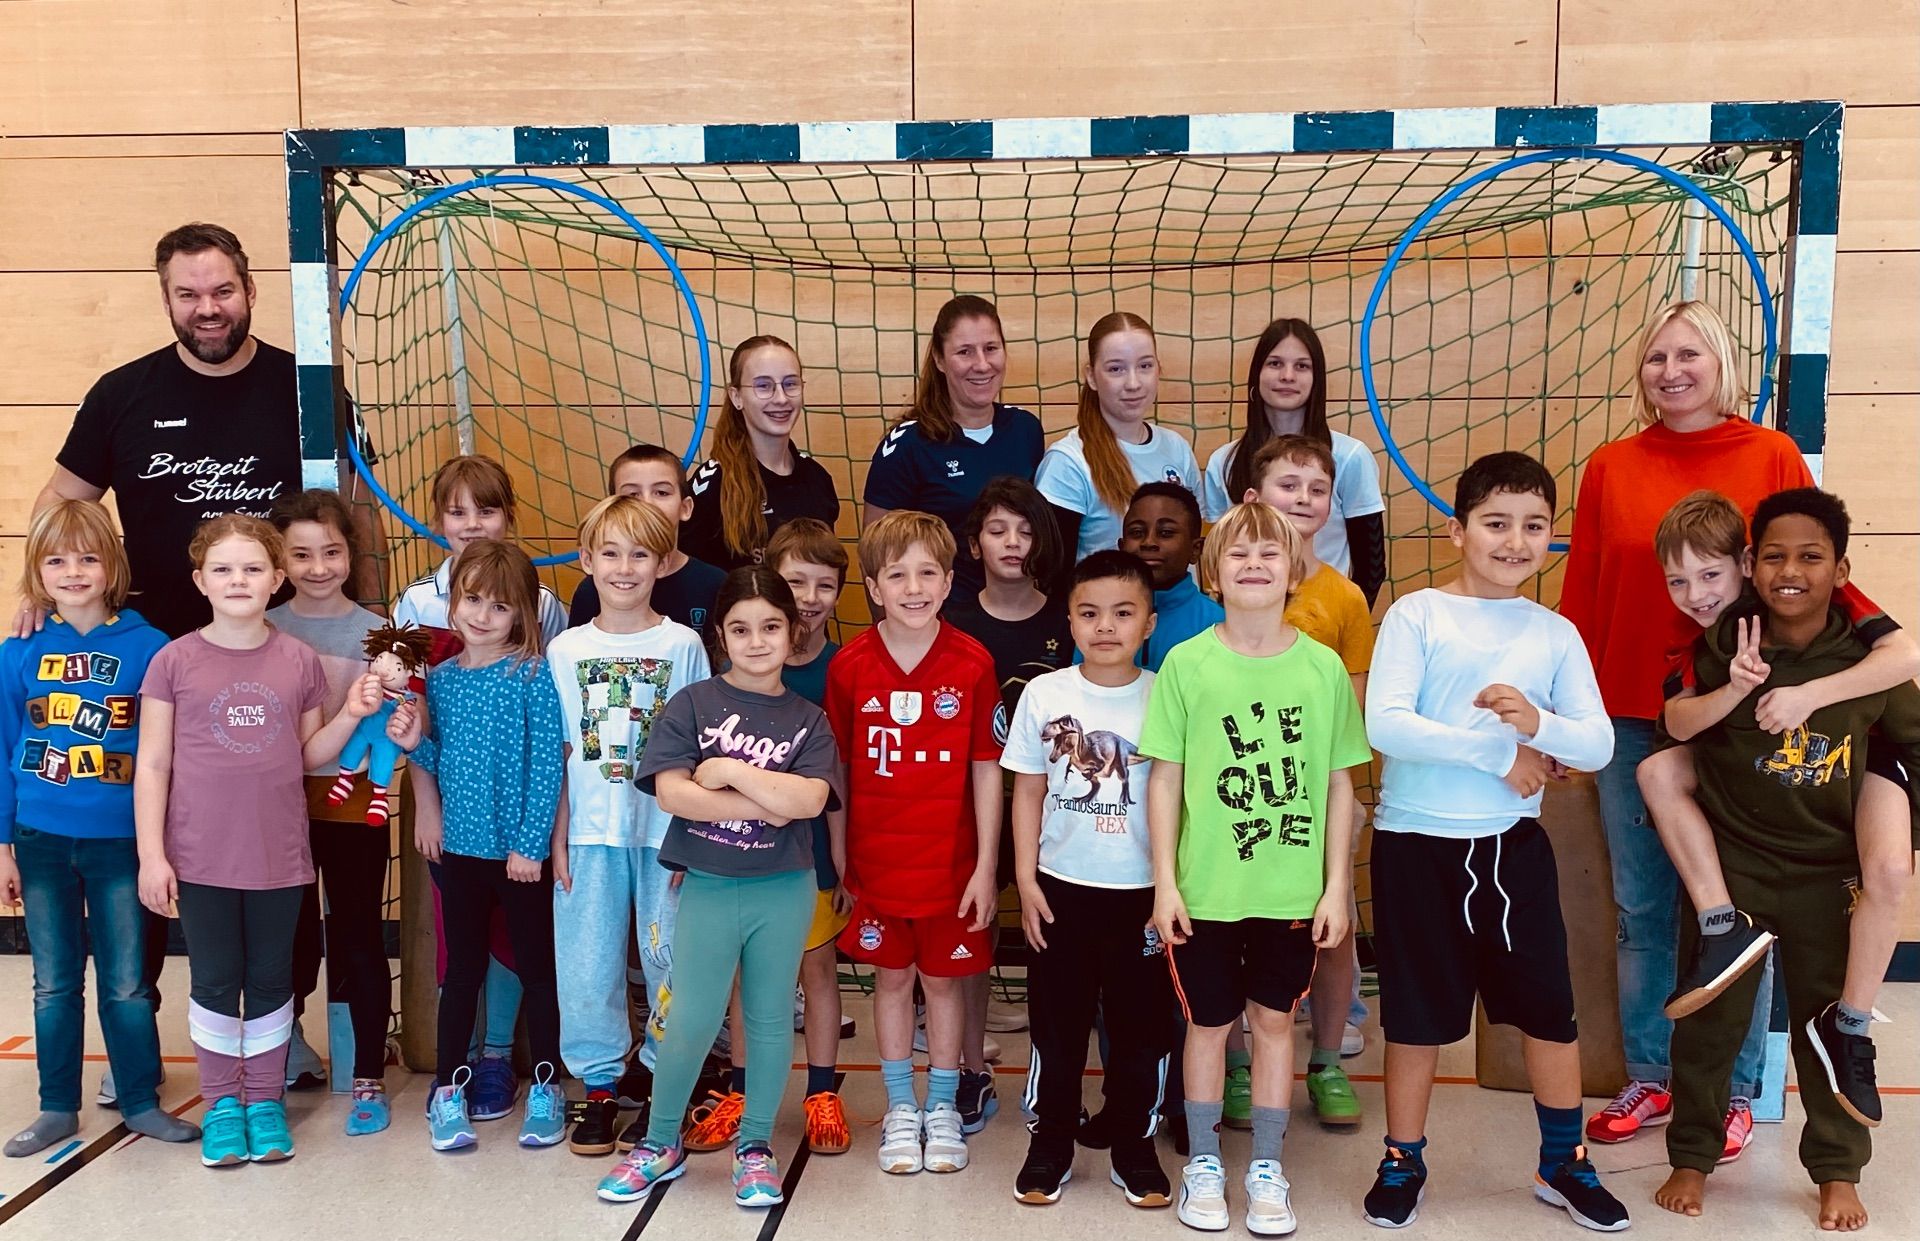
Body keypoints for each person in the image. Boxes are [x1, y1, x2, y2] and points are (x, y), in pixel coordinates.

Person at [1558, 300, 1920, 1148]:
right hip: (1635, 711)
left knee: (1744, 913)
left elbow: (1811, 574)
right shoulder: (1610, 465)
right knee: (1643, 906)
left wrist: (1808, 692)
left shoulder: (1770, 453)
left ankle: (1737, 1089)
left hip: (1747, 719)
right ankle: (1652, 1074)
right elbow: (1582, 600)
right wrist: (1567, 718)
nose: (1672, 370)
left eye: (1689, 353)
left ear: (1723, 362)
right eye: (1657, 356)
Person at [1363, 453, 1625, 1232]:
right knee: (1415, 1017)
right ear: (1458, 530)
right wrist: (1498, 752)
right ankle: (1402, 1157)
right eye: (1496, 522)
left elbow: (1598, 741)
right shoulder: (1417, 615)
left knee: (1549, 1011)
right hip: (1415, 845)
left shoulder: (1555, 633)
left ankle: (1562, 1160)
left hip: (1511, 849)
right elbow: (1388, 724)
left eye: (1534, 525)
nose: (1515, 540)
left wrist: (1538, 724)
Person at [1651, 488, 1920, 1234]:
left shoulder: (1869, 663)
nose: (1790, 571)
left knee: (1825, 1026)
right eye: (1774, 556)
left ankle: (1837, 1169)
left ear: (1841, 570)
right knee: (1709, 1025)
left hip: (1828, 874)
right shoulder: (1721, 640)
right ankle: (1692, 1156)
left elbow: (1910, 744)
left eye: (1810, 557)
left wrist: (1889, 844)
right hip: (1734, 864)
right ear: (1751, 563)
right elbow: (1675, 726)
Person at [1141, 500, 1368, 1236]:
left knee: (1275, 1022)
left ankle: (1267, 1166)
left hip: (1290, 890)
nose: (1254, 564)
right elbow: (1165, 780)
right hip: (1206, 889)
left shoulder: (1322, 667)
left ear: (1295, 570)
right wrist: (1166, 883)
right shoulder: (1186, 663)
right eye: (1238, 552)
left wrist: (1336, 886)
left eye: (1270, 552)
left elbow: (1339, 783)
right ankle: (1205, 1163)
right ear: (1213, 572)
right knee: (1208, 1024)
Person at [133, 514, 378, 1167]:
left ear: (275, 579)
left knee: (272, 981)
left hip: (280, 856)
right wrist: (152, 855)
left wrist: (351, 713)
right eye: (223, 569)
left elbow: (308, 754)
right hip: (201, 858)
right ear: (200, 581)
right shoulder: (173, 661)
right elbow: (152, 764)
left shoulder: (296, 659)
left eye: (251, 568)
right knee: (215, 981)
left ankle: (265, 1103)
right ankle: (221, 1105)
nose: (237, 580)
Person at [596, 567, 842, 1207]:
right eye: (741, 629)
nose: (757, 641)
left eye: (770, 627)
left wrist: (729, 770)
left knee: (768, 1017)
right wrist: (770, 802)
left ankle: (755, 1146)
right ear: (721, 637)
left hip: (783, 889)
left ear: (792, 633)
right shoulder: (693, 704)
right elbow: (674, 794)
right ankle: (660, 1143)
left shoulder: (809, 720)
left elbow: (811, 800)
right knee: (691, 1016)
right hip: (707, 884)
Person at [0, 501, 198, 1155]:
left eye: (88, 557)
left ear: (112, 565)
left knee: (126, 983)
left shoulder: (150, 647)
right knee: (53, 982)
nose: (73, 571)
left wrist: (159, 845)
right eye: (56, 560)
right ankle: (57, 1105)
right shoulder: (19, 651)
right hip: (40, 839)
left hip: (121, 840)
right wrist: (3, 846)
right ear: (38, 571)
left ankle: (140, 1101)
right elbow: (3, 752)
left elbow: (165, 756)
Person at [824, 511, 1002, 1175]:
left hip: (951, 868)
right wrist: (841, 855)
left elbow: (987, 767)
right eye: (897, 575)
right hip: (877, 865)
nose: (914, 587)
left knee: (945, 986)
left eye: (928, 572)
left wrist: (986, 865)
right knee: (892, 981)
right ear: (873, 587)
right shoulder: (850, 666)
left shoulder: (972, 662)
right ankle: (901, 1107)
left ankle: (943, 1106)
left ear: (950, 581)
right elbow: (839, 771)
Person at [392, 453, 565, 1120]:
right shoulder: (442, 679)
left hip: (519, 857)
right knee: (460, 970)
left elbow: (546, 765)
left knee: (536, 966)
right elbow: (444, 757)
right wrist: (416, 742)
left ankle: (545, 1085)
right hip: (460, 852)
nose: (484, 615)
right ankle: (448, 1087)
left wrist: (530, 846)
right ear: (452, 604)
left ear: (522, 612)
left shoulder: (532, 675)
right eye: (472, 601)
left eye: (499, 605)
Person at [1004, 549, 1173, 1209]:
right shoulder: (1045, 694)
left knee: (1141, 1030)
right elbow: (1027, 789)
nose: (1106, 626)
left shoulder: (1166, 694)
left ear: (1149, 623)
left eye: (1123, 613)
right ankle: (1051, 1140)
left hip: (1142, 896)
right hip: (1060, 890)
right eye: (1090, 612)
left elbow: (1178, 796)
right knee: (1058, 1027)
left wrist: (1170, 887)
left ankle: (1135, 1142)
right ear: (1070, 621)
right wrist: (1026, 878)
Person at [546, 497, 708, 1158]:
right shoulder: (565, 650)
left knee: (672, 958)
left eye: (640, 554)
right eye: (610, 553)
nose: (624, 567)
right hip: (587, 833)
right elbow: (556, 754)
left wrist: (693, 838)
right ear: (586, 560)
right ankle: (600, 1087)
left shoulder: (682, 645)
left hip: (664, 835)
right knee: (586, 965)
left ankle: (667, 1084)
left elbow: (699, 748)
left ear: (663, 563)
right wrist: (555, 838)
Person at [1244, 434, 1375, 1127]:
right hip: (1237, 794)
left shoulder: (1345, 597)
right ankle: (1238, 1066)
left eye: (1317, 489)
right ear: (1252, 497)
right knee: (1231, 922)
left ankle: (1325, 1061)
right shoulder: (1225, 583)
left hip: (1317, 794)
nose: (1302, 499)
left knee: (1332, 924)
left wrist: (1334, 794)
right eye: (1287, 485)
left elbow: (1351, 705)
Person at [268, 489, 406, 1132]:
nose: (319, 567)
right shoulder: (265, 628)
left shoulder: (378, 634)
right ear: (280, 561)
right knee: (288, 940)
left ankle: (368, 1076)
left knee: (358, 937)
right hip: (279, 811)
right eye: (301, 555)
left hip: (353, 808)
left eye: (331, 552)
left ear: (351, 554)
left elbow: (402, 723)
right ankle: (276, 1056)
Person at [941, 476, 1073, 1126]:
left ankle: (1060, 1079)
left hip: (1063, 808)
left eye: (1024, 530)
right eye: (998, 530)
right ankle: (971, 1066)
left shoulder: (1069, 619)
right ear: (974, 545)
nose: (1012, 542)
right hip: (973, 807)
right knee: (975, 927)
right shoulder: (954, 626)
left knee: (1060, 941)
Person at [766, 518, 855, 1154]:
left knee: (818, 969)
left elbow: (843, 773)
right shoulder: (739, 662)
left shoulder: (843, 668)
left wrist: (843, 858)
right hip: (745, 851)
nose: (809, 597)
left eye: (825, 585)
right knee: (750, 980)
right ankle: (745, 1094)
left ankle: (822, 1093)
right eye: (796, 581)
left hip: (815, 851)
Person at [863, 295, 1046, 594]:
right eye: (965, 352)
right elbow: (876, 557)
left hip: (1016, 609)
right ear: (939, 359)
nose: (982, 364)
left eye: (991, 348)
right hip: (939, 615)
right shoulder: (906, 445)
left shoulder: (1026, 429)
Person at [1203, 318, 1388, 604]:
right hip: (1247, 617)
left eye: (1302, 366)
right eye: (1275, 363)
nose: (1287, 376)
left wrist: (1344, 618)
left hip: (1325, 618)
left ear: (1317, 379)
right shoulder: (1224, 462)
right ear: (1256, 374)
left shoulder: (1351, 456)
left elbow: (1371, 567)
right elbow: (1217, 559)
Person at [1036, 312, 1200, 565]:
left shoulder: (1177, 447)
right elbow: (1053, 574)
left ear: (1159, 369)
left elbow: (1193, 553)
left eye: (1145, 366)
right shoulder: (1068, 462)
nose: (1133, 383)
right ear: (1092, 376)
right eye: (1116, 369)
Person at [684, 336, 841, 572]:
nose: (781, 398)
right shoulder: (713, 482)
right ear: (736, 397)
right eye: (763, 386)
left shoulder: (817, 478)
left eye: (790, 384)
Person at [393, 454, 569, 647]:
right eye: (458, 513)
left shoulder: (542, 601)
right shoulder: (417, 600)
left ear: (508, 516)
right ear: (440, 520)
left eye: (486, 512)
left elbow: (559, 662)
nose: (472, 524)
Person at [567, 444, 727, 632]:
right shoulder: (593, 590)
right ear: (613, 505)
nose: (647, 503)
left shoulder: (715, 585)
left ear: (685, 508)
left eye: (661, 492)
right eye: (632, 494)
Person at [1118, 483, 1221, 671]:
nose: (1149, 542)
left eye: (1166, 533)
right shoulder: (1099, 619)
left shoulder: (1218, 624)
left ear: (1196, 549)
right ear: (1121, 547)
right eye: (1137, 532)